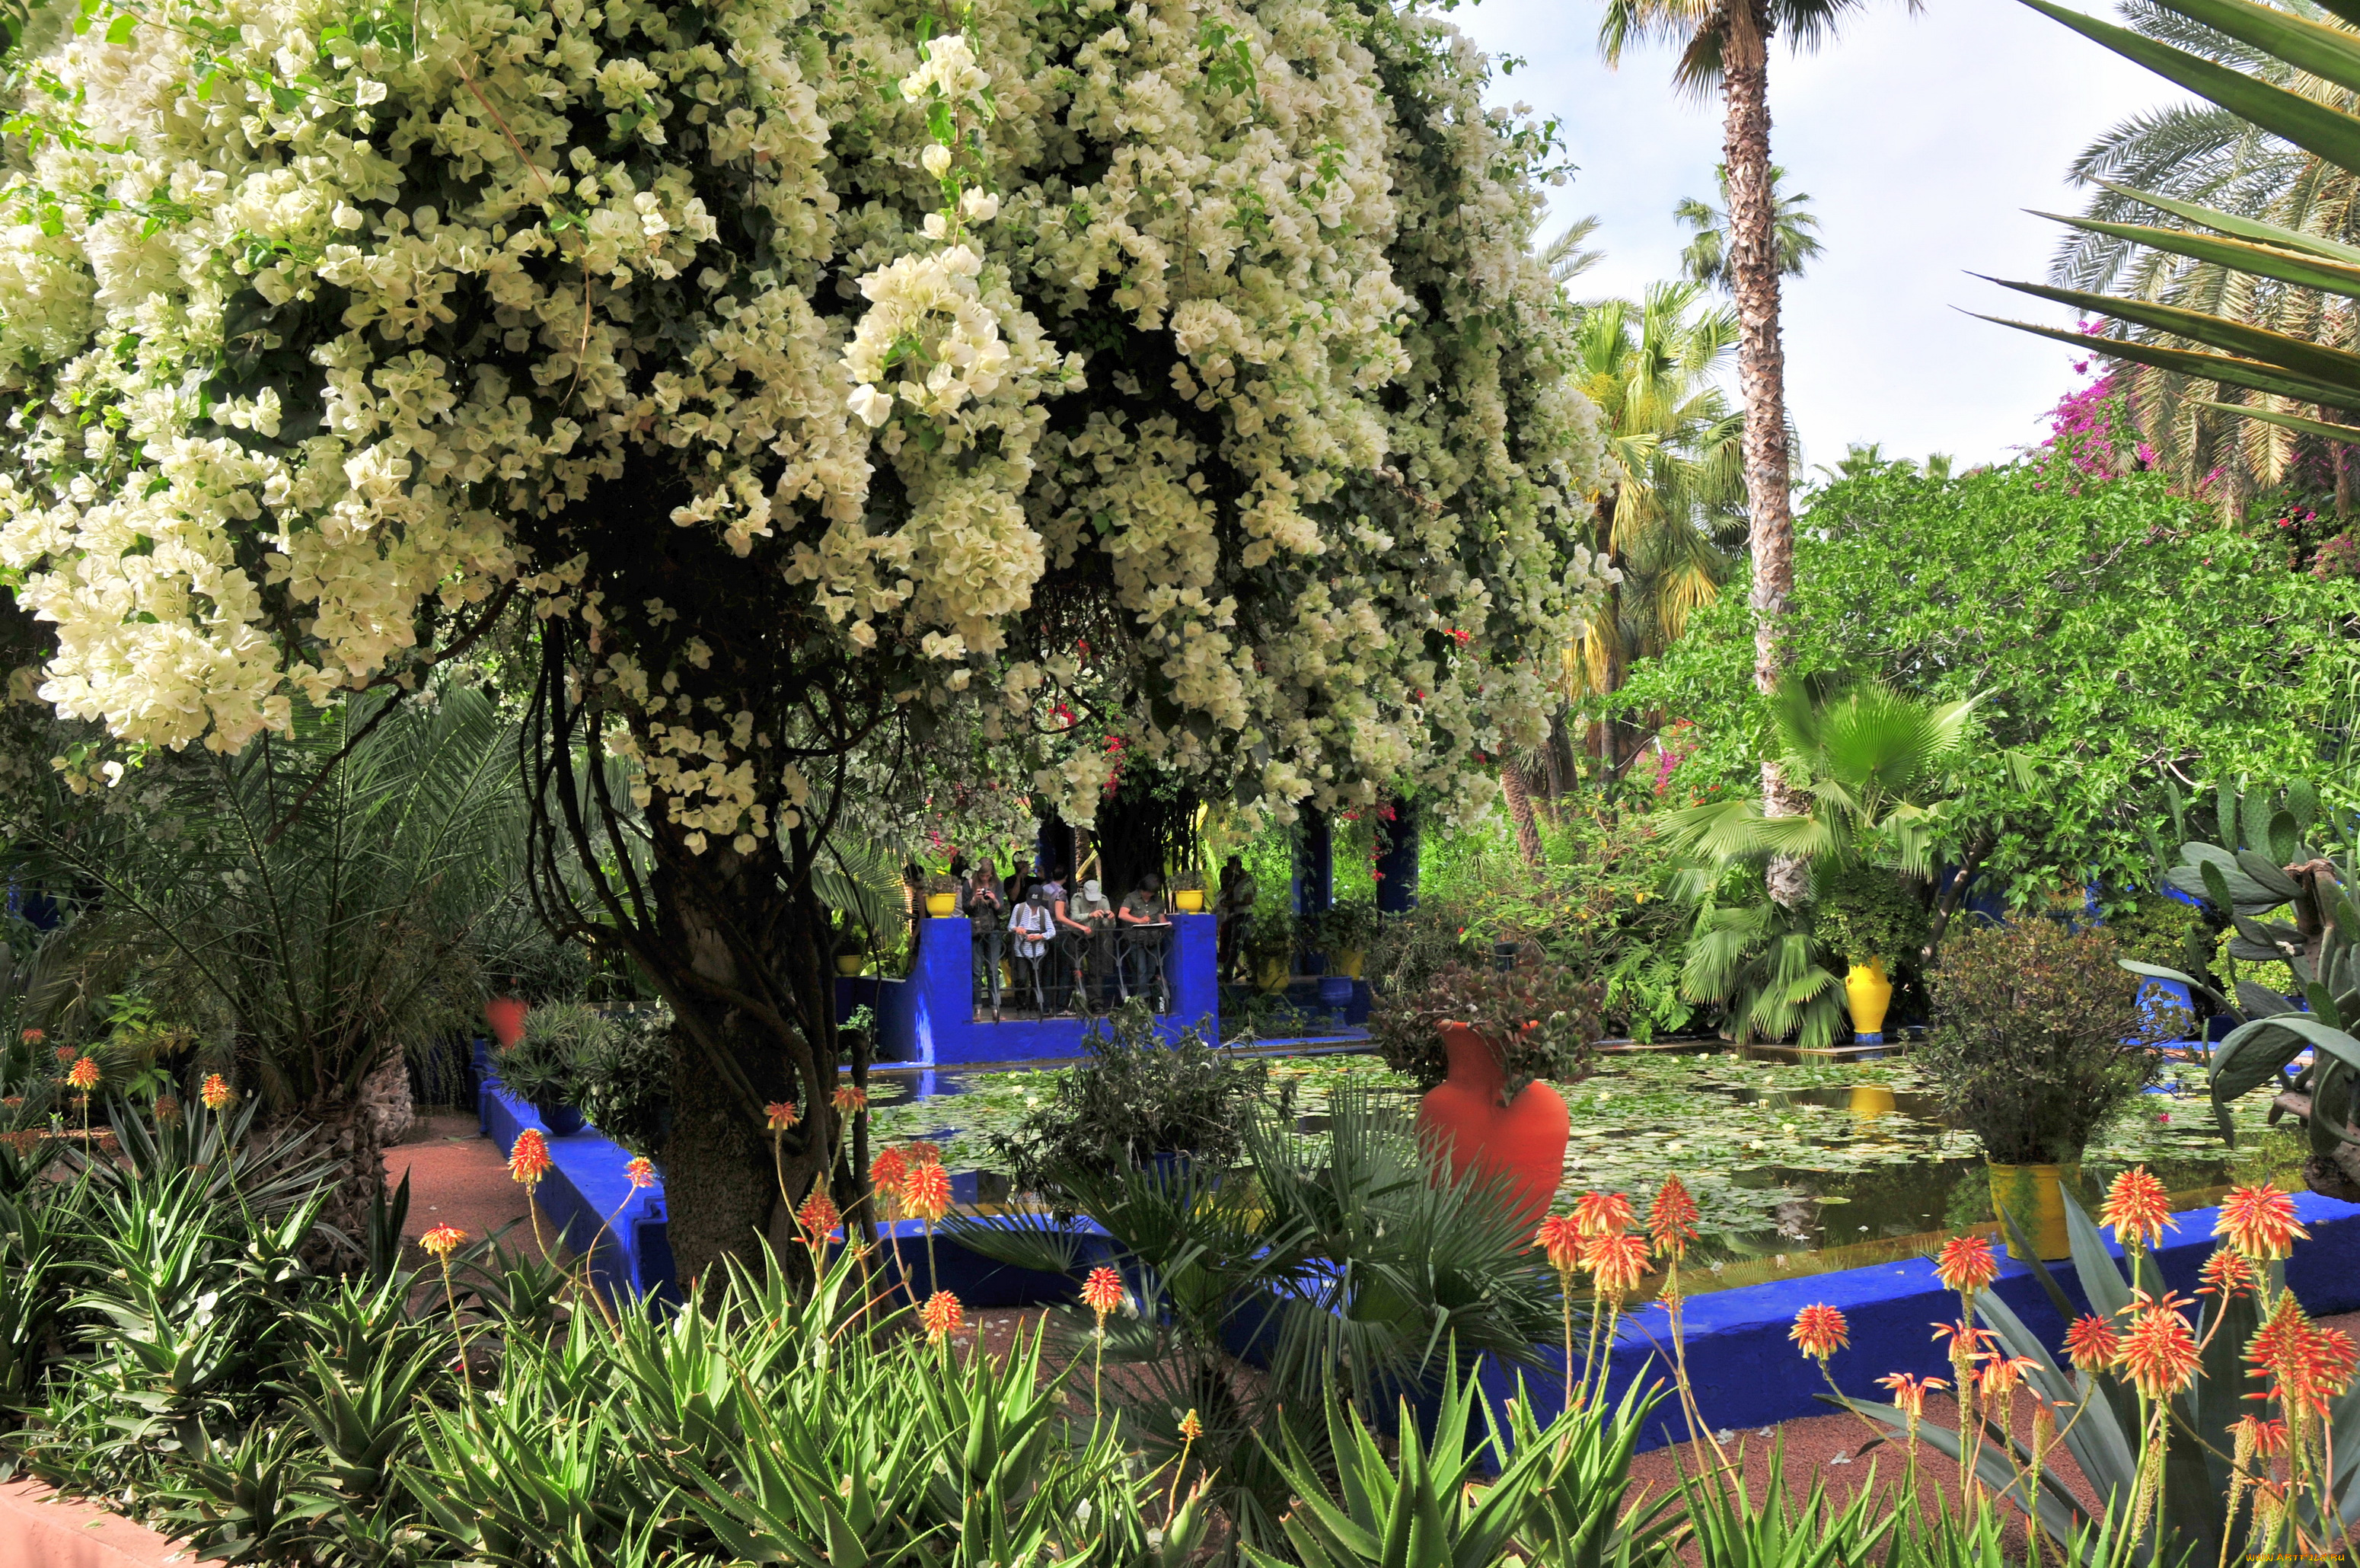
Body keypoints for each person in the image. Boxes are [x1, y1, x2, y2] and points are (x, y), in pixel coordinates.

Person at [1059, 876, 1117, 1009]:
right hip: (1076, 935)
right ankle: (1076, 1001)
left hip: (1093, 936)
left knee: (1096, 969)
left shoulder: (1103, 901)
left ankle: (1096, 1002)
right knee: (1075, 968)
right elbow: (1074, 917)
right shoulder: (1077, 899)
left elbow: (1109, 925)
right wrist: (1090, 915)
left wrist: (1111, 918)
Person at [1118, 872, 1172, 1002]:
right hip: (1136, 939)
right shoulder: (1131, 898)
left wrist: (1166, 924)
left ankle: (1144, 994)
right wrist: (1139, 920)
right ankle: (1143, 999)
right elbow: (1122, 914)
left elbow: (1161, 917)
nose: (1149, 895)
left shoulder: (1157, 900)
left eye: (1151, 893)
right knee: (1140, 969)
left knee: (1151, 969)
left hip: (1153, 939)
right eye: (1147, 892)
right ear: (1142, 889)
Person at [966, 864, 1006, 1020]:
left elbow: (1001, 910)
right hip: (976, 932)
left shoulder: (997, 884)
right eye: (982, 876)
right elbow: (966, 909)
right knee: (976, 972)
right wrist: (975, 899)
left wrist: (994, 899)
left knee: (993, 970)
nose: (985, 879)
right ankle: (977, 1009)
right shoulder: (969, 884)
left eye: (988, 876)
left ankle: (996, 1009)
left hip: (993, 930)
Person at [1009, 884, 1057, 1014]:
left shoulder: (1044, 912)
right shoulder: (1019, 908)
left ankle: (1034, 1006)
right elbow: (1011, 926)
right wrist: (1017, 929)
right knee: (1020, 979)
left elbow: (1052, 931)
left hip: (1038, 950)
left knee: (1036, 979)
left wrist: (1039, 936)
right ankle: (1021, 1006)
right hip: (1021, 950)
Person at [1215, 856, 1256, 980]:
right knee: (1247, 946)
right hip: (1236, 915)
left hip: (1244, 915)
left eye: (1230, 866)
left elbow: (1248, 900)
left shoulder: (1247, 881)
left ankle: (1227, 973)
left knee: (1235, 946)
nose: (1229, 869)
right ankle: (1255, 972)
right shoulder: (1236, 881)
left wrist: (1233, 903)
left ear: (1237, 866)